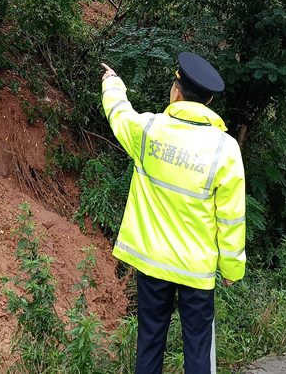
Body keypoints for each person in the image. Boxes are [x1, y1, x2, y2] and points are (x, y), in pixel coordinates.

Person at [101, 52, 246, 374]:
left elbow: (119, 115)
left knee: (150, 338)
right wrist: (232, 269)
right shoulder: (225, 149)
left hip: (152, 262)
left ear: (175, 92)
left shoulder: (149, 129)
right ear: (209, 100)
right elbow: (232, 218)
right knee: (198, 346)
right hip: (196, 269)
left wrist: (113, 84)